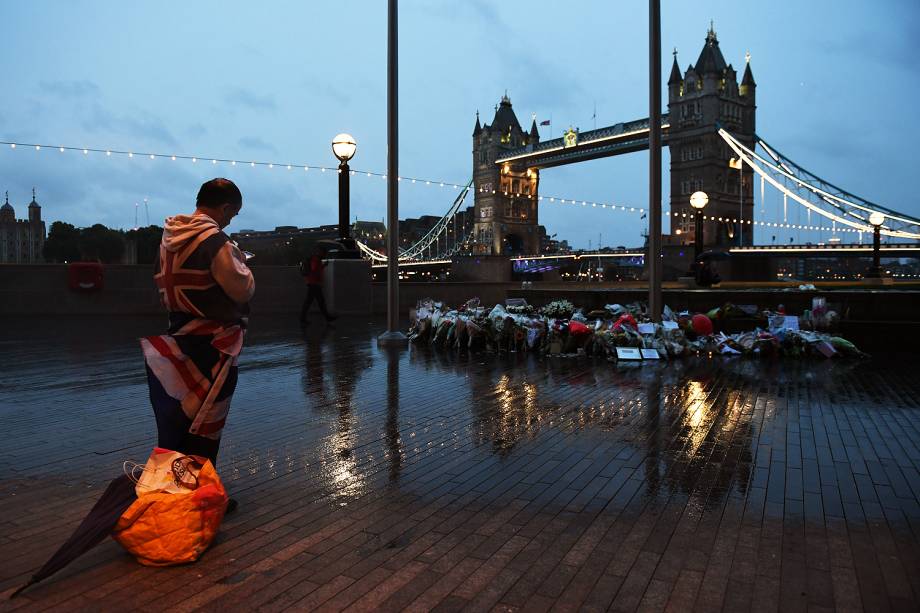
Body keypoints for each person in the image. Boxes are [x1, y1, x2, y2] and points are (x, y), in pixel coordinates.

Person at [140, 178, 254, 513]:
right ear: (225, 207)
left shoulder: (168, 237)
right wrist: (244, 265)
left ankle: (173, 488)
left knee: (177, 417)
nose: (231, 221)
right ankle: (200, 496)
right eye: (232, 214)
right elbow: (241, 289)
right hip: (213, 344)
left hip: (177, 339)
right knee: (207, 422)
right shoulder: (216, 241)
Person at [299, 245, 335, 323]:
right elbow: (314, 269)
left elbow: (315, 269)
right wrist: (321, 269)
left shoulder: (315, 259)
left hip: (312, 283)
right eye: (324, 253)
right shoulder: (316, 259)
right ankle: (327, 317)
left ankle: (303, 318)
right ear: (321, 252)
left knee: (314, 301)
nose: (325, 254)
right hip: (314, 283)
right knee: (316, 302)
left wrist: (322, 266)